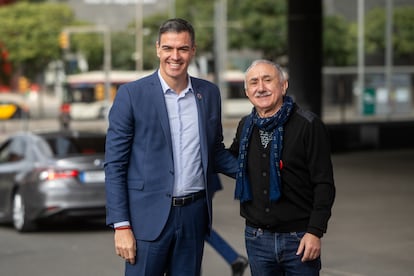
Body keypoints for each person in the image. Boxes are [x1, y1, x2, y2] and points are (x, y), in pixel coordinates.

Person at [104, 18, 238, 276]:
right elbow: (115, 165)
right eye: (168, 48)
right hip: (146, 220)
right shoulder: (131, 95)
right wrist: (121, 226)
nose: (174, 56)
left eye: (182, 49)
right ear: (157, 49)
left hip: (193, 216)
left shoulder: (209, 94)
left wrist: (256, 169)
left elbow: (216, 151)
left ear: (193, 50)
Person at [228, 59, 336, 276]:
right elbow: (231, 160)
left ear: (283, 85)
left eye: (268, 80)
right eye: (254, 82)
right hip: (256, 239)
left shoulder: (308, 125)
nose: (261, 88)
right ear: (247, 91)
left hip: (299, 239)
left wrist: (315, 231)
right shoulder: (245, 126)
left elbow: (323, 184)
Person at [205, 174, 248, 276]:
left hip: (201, 182)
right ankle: (234, 259)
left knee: (196, 229)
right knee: (197, 229)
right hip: (202, 181)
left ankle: (235, 259)